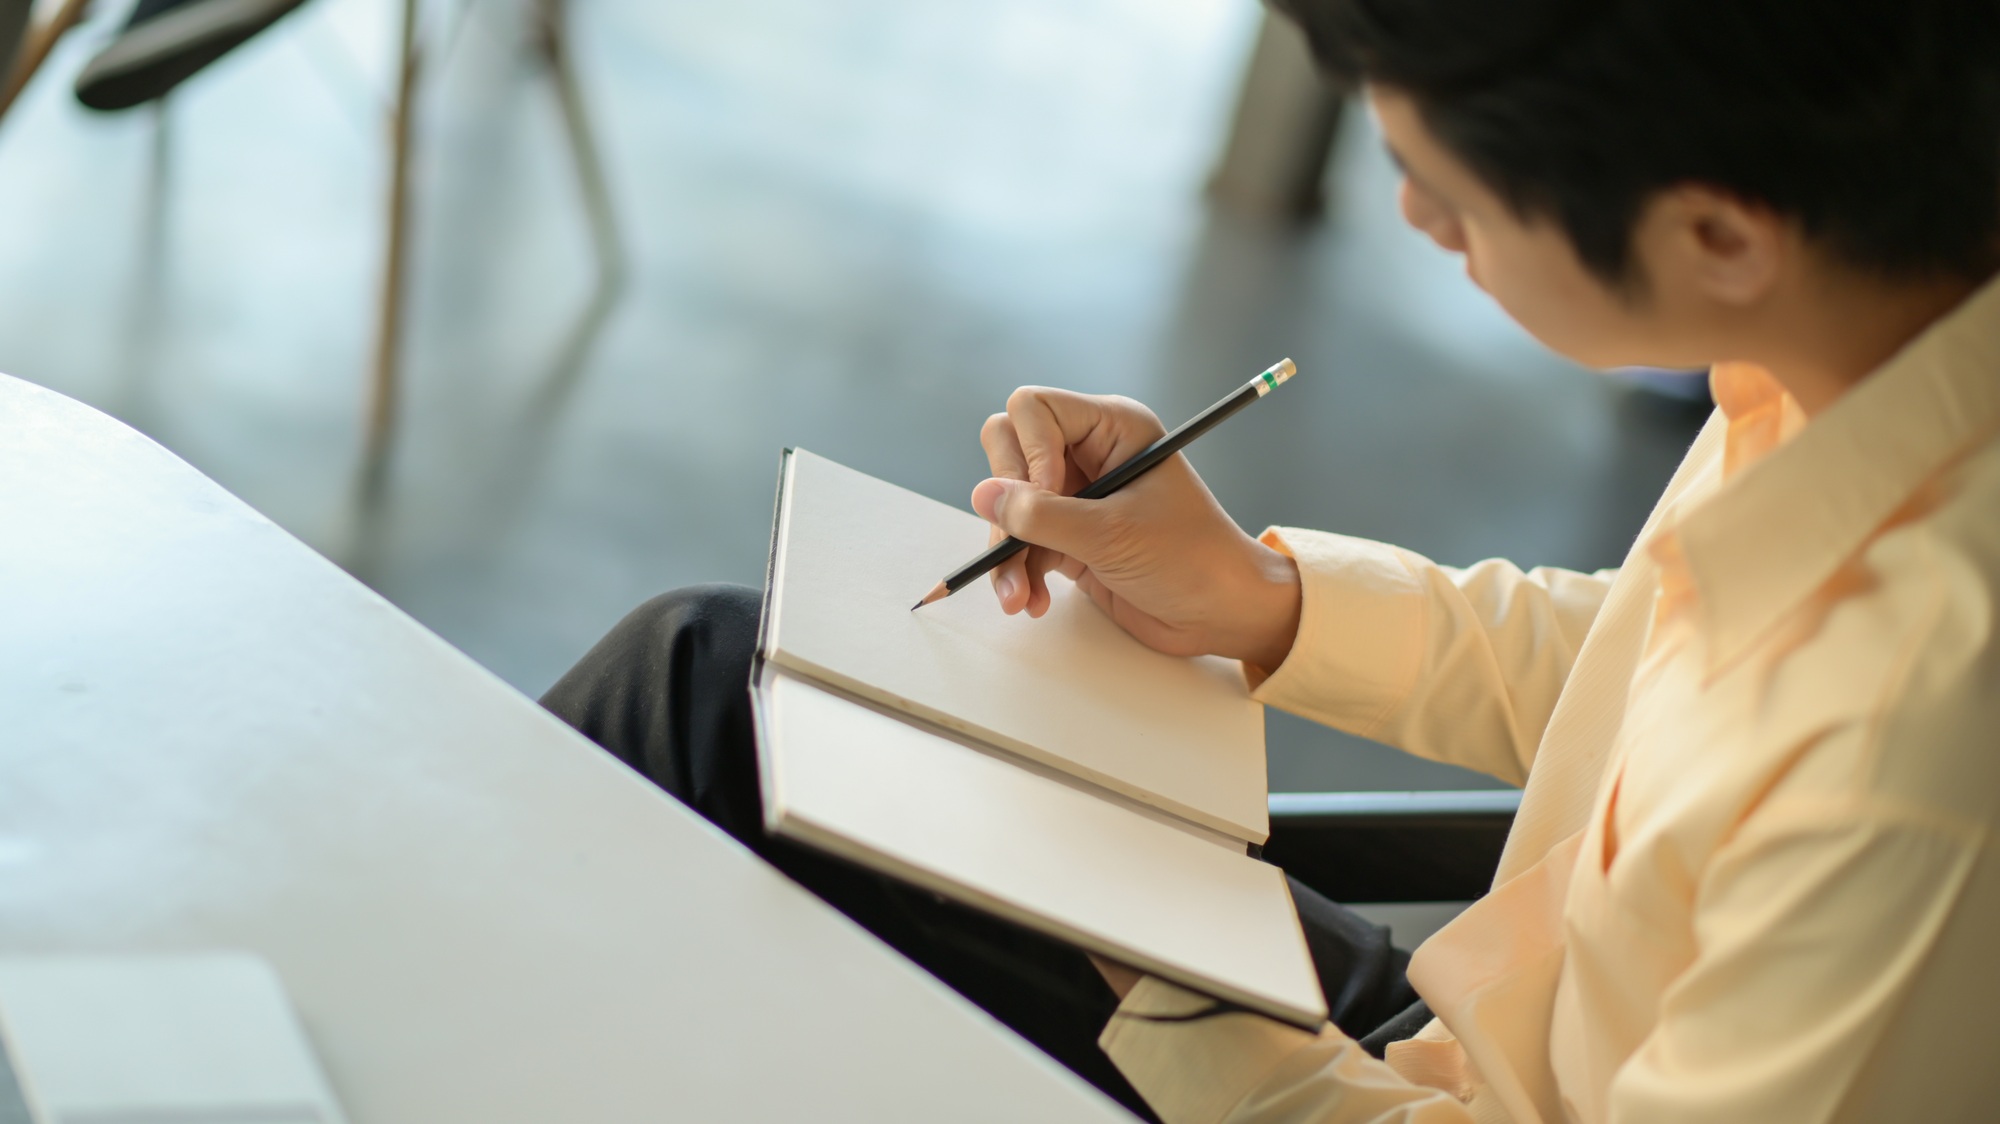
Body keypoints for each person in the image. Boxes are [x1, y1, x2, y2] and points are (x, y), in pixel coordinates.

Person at [543, 0, 2000, 1119]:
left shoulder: (1911, 762)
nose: (1421, 222)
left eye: (1453, 195)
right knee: (713, 680)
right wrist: (1258, 599)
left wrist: (1158, 979)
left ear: (1717, 232)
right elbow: (1663, 663)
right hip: (1442, 1046)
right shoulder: (1866, 365)